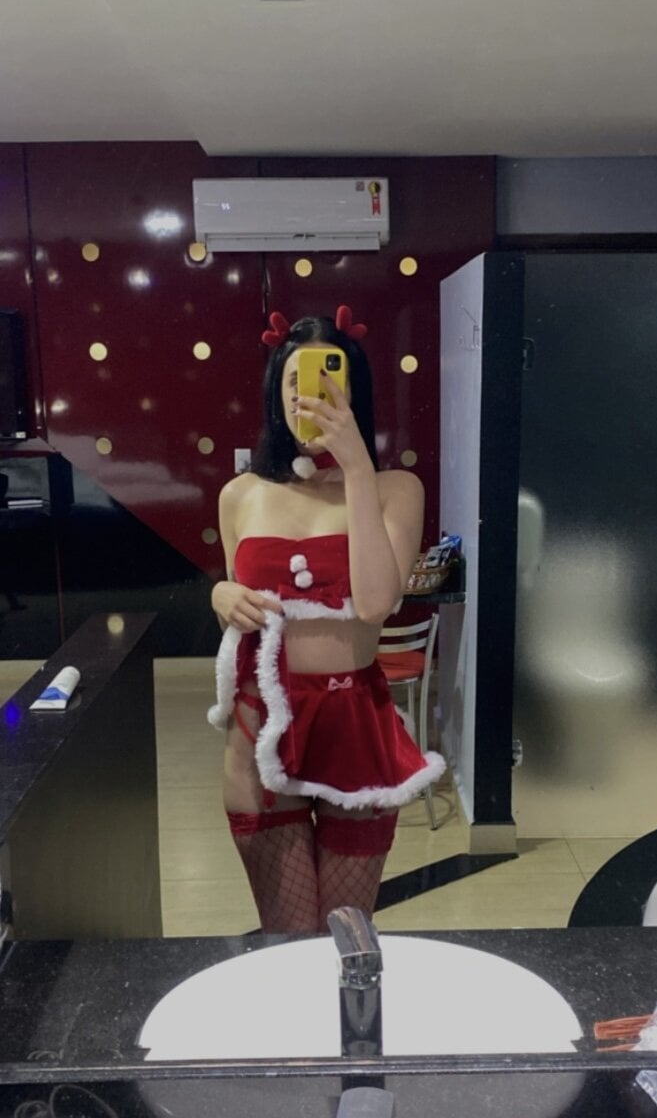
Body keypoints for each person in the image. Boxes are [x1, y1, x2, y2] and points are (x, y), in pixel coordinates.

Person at [209, 305, 445, 933]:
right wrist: (221, 595)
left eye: (325, 379)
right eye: (294, 382)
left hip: (353, 725)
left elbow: (375, 603)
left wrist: (357, 466)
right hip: (262, 727)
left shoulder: (396, 488)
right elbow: (248, 611)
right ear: (276, 394)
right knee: (288, 938)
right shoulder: (240, 494)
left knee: (345, 935)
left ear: (353, 390)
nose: (308, 396)